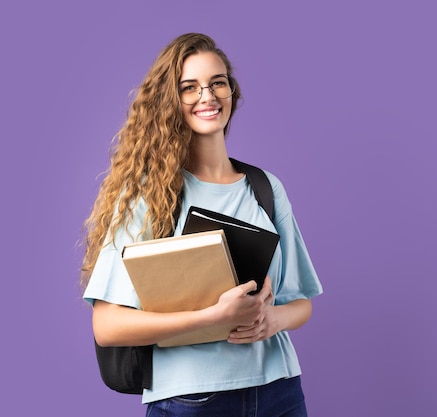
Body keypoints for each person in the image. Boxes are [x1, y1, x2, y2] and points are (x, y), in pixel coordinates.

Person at [80, 33, 323, 416]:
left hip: (280, 391)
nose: (207, 96)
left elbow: (301, 303)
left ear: (232, 93)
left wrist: (270, 319)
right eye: (189, 87)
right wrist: (214, 319)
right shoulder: (149, 195)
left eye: (218, 83)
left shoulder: (265, 188)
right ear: (169, 103)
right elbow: (107, 326)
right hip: (192, 400)